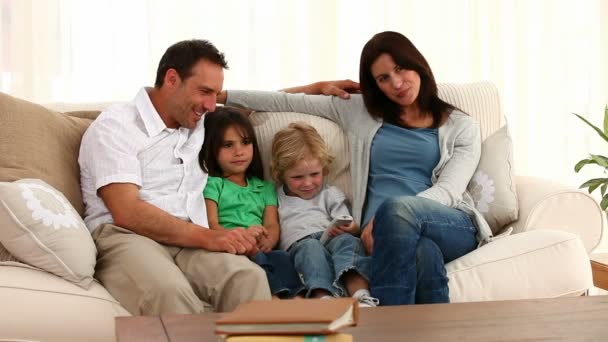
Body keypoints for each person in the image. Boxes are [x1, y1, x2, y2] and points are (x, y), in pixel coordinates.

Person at [218, 31, 493, 305]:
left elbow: (448, 191)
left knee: (398, 213)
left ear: (417, 64)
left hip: (447, 223)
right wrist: (219, 95)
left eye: (401, 68)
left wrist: (388, 218)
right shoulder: (361, 111)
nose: (397, 83)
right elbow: (285, 102)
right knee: (425, 254)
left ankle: (382, 326)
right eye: (383, 78)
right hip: (389, 238)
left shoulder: (462, 127)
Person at [78, 39, 271, 315]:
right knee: (169, 291)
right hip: (125, 235)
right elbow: (126, 212)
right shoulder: (115, 126)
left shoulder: (198, 121)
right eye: (205, 91)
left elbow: (260, 101)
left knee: (248, 277)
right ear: (171, 79)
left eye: (215, 94)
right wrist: (210, 237)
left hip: (187, 237)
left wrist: (316, 90)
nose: (211, 105)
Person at [200, 107, 305, 299]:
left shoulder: (265, 188)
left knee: (281, 257)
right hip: (231, 246)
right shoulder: (213, 184)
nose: (239, 152)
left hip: (260, 247)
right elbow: (211, 224)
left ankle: (296, 298)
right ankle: (274, 298)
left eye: (246, 142)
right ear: (211, 149)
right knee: (256, 260)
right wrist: (242, 237)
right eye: (228, 145)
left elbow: (271, 224)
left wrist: (269, 241)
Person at [270, 122, 378, 307]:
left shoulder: (329, 193)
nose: (308, 183)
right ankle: (324, 299)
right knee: (311, 249)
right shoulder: (275, 197)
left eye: (314, 174)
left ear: (324, 169)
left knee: (349, 242)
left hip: (331, 237)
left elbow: (346, 221)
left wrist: (350, 228)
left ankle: (361, 295)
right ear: (281, 173)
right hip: (300, 244)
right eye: (297, 177)